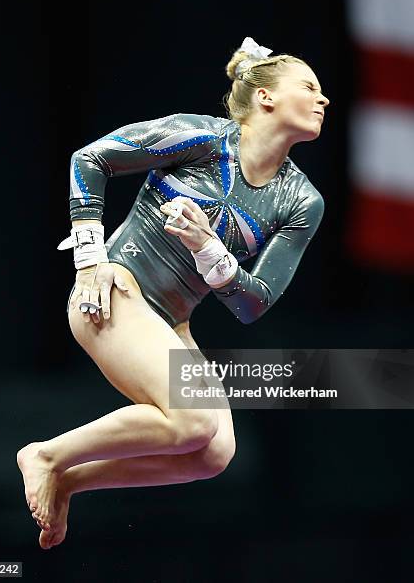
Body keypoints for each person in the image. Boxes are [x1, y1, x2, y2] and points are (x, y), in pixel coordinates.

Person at [17, 37, 330, 549]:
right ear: (267, 98)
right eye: (310, 87)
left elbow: (253, 304)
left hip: (170, 320)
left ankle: (70, 480)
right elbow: (89, 159)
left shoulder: (301, 201)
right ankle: (47, 455)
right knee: (190, 420)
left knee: (213, 453)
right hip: (115, 291)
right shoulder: (203, 137)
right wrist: (90, 260)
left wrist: (210, 249)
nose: (324, 100)